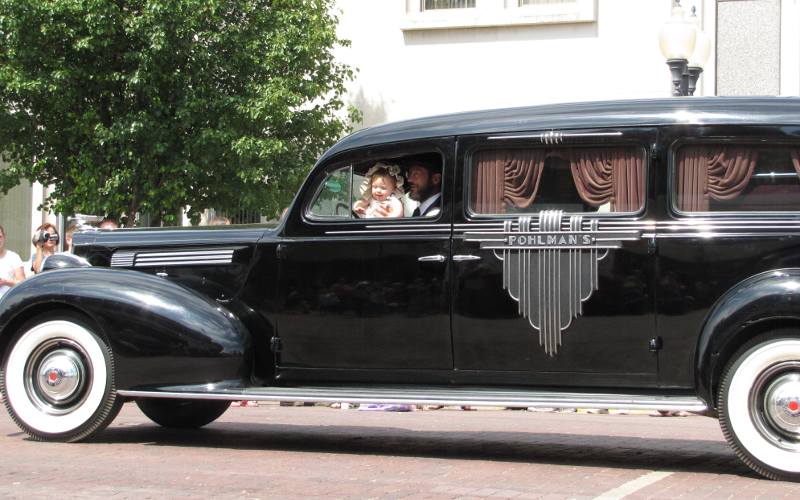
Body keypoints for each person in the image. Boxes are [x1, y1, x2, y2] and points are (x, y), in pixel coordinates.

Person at [0, 225, 25, 300]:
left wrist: (5, 282)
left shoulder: (13, 257)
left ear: (4, 237)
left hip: (6, 303)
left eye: (0, 236)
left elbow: (22, 283)